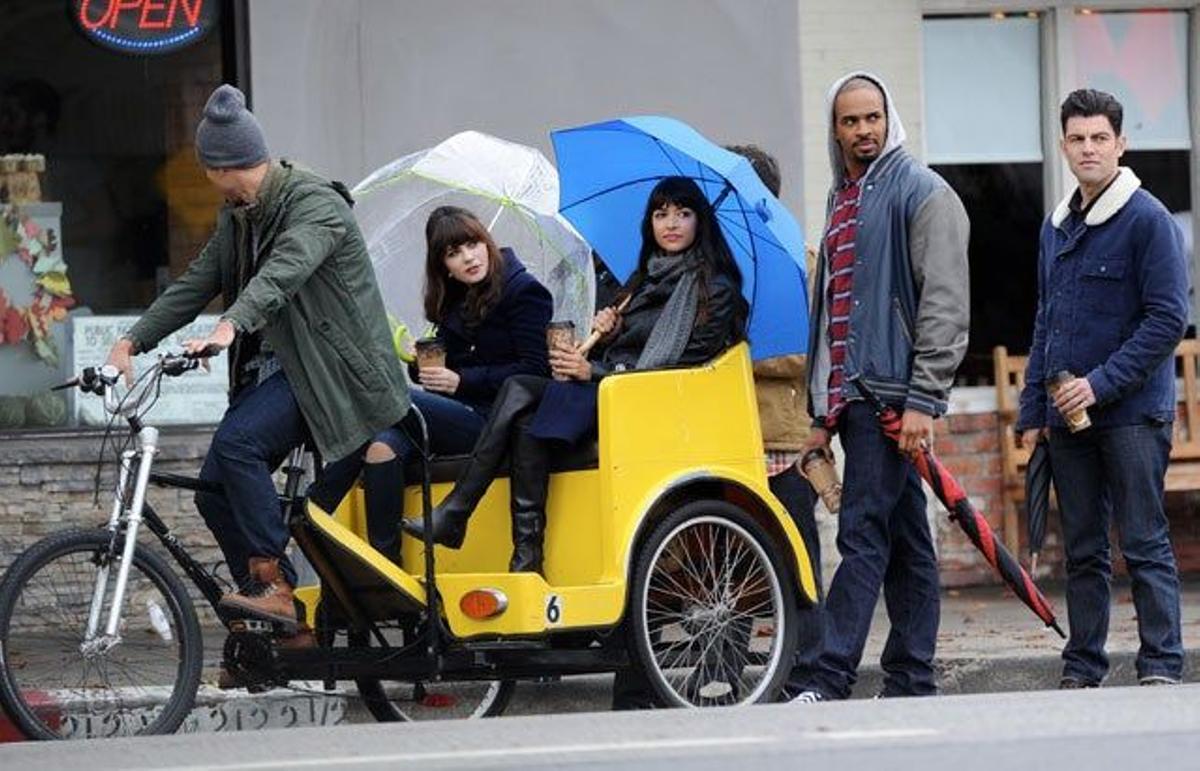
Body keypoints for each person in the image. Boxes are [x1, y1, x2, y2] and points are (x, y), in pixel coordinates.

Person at [106, 84, 409, 631]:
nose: (208, 182)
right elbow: (198, 280)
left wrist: (230, 325)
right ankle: (272, 620)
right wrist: (133, 339)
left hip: (333, 374)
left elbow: (284, 271)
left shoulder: (317, 203)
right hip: (283, 370)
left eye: (207, 171)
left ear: (222, 167)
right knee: (215, 492)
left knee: (238, 443)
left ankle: (277, 586)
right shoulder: (238, 214)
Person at [404, 175, 747, 575]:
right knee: (526, 421)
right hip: (607, 388)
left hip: (645, 402)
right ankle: (528, 560)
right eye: (661, 214)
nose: (671, 224)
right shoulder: (641, 280)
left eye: (683, 214)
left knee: (519, 385)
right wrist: (607, 333)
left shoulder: (714, 288)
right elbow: (627, 347)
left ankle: (457, 512)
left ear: (700, 223)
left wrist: (595, 368)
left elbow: (680, 366)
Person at [791, 72, 970, 703]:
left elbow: (945, 306)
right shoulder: (843, 202)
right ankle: (912, 677)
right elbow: (833, 319)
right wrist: (822, 413)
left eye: (872, 117)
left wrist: (923, 399)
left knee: (862, 534)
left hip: (893, 397)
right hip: (856, 399)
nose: (862, 130)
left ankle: (828, 675)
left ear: (888, 118)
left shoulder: (922, 191)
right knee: (907, 541)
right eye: (849, 121)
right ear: (834, 129)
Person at [1016, 89, 1188, 689]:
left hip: (1134, 415)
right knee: (1083, 551)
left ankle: (1162, 666)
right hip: (1067, 419)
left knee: (1143, 541)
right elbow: (1047, 319)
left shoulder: (1149, 221)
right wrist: (1033, 408)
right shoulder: (1055, 226)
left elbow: (1167, 320)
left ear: (1120, 143)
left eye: (1099, 138)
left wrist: (1098, 385)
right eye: (1077, 138)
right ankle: (1083, 667)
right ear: (1062, 145)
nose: (1088, 148)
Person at [313, 206, 553, 563]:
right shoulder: (455, 301)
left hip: (496, 423)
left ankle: (315, 506)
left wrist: (462, 380)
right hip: (456, 415)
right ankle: (387, 568)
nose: (468, 258)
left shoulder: (524, 292)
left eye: (471, 244)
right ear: (445, 268)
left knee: (387, 399)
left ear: (486, 242)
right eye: (453, 254)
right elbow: (441, 377)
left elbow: (535, 371)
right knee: (382, 447)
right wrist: (419, 363)